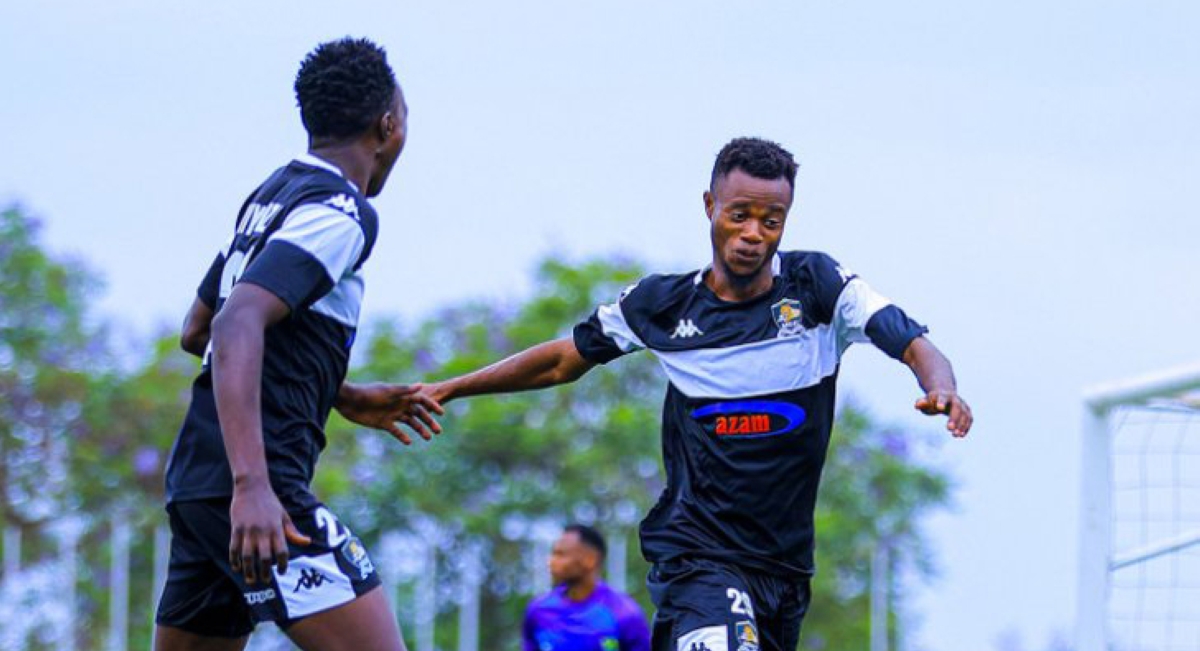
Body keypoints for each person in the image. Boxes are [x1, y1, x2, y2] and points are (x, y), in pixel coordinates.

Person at [392, 137, 973, 651]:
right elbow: (562, 360)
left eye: (771, 221)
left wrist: (940, 386)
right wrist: (449, 387)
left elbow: (908, 338)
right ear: (709, 208)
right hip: (697, 558)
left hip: (784, 568)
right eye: (739, 214)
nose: (752, 234)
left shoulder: (818, 290)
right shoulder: (663, 307)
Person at [155, 37, 443, 651]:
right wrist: (254, 487)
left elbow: (196, 330)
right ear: (388, 125)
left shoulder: (272, 196)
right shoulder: (339, 211)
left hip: (199, 483)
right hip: (259, 490)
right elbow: (232, 327)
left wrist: (336, 392)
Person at [524, 524, 652, 651]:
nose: (551, 561)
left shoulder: (624, 613)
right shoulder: (539, 610)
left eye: (560, 554)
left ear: (590, 560)